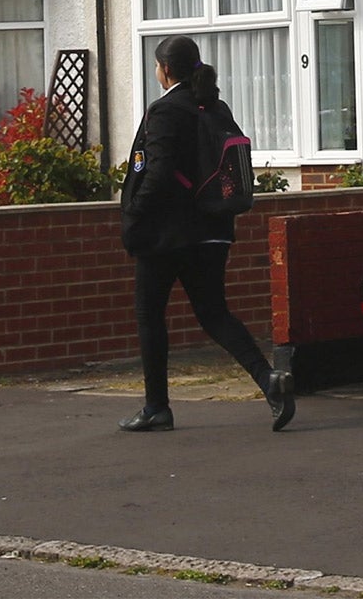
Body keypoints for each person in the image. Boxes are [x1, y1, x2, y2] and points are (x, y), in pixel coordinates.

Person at [117, 34, 293, 432]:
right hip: (213, 230)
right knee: (214, 314)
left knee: (149, 315)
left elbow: (158, 172)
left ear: (165, 69)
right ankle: (269, 382)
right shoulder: (215, 106)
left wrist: (134, 216)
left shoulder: (165, 110)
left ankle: (156, 407)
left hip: (166, 234)